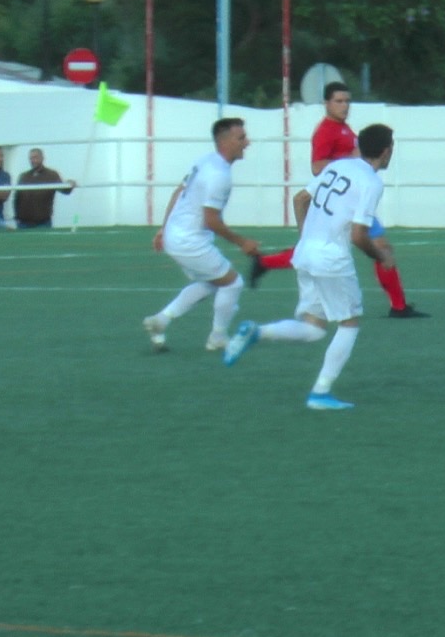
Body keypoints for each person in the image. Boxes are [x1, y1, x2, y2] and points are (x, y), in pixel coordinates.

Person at [223, 124, 398, 410]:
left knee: (314, 328)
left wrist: (307, 236)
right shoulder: (371, 182)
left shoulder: (338, 166)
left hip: (305, 253)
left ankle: (257, 332)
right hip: (331, 258)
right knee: (349, 323)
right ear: (387, 151)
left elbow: (300, 198)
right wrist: (381, 256)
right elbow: (358, 235)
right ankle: (320, 392)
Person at [248, 82, 426, 318]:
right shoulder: (325, 131)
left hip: (351, 197)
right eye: (339, 101)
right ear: (326, 104)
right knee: (347, 248)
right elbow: (316, 167)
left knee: (356, 247)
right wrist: (349, 163)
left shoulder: (344, 129)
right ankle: (398, 306)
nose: (344, 106)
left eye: (347, 101)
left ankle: (398, 305)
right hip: (343, 201)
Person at [144, 119, 259, 353]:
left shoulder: (206, 161)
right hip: (190, 241)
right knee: (232, 283)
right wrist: (242, 242)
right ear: (225, 142)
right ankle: (218, 338)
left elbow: (179, 191)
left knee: (211, 282)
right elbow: (211, 220)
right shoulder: (219, 175)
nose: (247, 142)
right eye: (241, 138)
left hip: (177, 234)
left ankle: (160, 321)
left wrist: (164, 229)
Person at [13, 148, 76, 228]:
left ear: (42, 158)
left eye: (35, 157)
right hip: (23, 223)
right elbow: (17, 198)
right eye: (31, 158)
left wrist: (69, 184)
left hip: (43, 223)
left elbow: (65, 190)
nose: (33, 160)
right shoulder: (24, 176)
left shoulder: (51, 175)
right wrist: (16, 217)